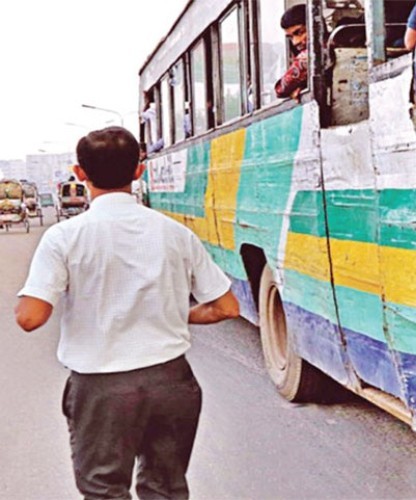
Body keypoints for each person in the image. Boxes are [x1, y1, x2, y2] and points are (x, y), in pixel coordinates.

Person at [15, 126, 240, 499]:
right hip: (172, 383)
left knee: (104, 491)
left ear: (80, 173)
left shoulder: (65, 237)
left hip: (102, 389)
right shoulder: (175, 233)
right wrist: (169, 312)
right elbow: (226, 306)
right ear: (139, 171)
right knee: (166, 489)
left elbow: (30, 317)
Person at [275, 4, 308, 100]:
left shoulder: (310, 56)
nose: (295, 42)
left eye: (300, 32)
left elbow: (281, 89)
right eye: (291, 37)